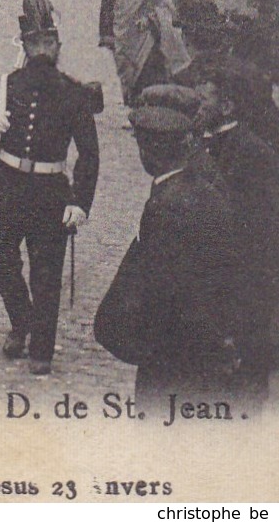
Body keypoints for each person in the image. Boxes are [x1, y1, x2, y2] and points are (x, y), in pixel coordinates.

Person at [94, 85, 271, 416]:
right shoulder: (204, 176)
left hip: (177, 362)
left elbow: (166, 294)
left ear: (148, 149)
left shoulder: (170, 205)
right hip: (209, 349)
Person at [0, 0, 102, 375]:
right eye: (35, 43)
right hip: (8, 186)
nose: (43, 50)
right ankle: (22, 319)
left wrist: (80, 202)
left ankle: (42, 346)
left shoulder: (74, 94)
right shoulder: (8, 85)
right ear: (25, 46)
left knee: (46, 273)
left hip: (50, 192)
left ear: (58, 45)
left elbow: (89, 155)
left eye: (49, 42)